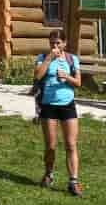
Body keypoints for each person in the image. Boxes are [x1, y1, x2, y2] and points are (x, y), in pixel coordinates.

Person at [34, 28, 84, 196]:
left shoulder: (72, 59)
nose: (55, 46)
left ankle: (73, 181)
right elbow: (38, 76)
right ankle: (49, 174)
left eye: (58, 43)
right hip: (48, 105)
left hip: (67, 104)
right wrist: (49, 58)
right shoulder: (42, 58)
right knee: (51, 146)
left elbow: (78, 83)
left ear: (64, 43)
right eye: (52, 43)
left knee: (71, 144)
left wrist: (67, 78)